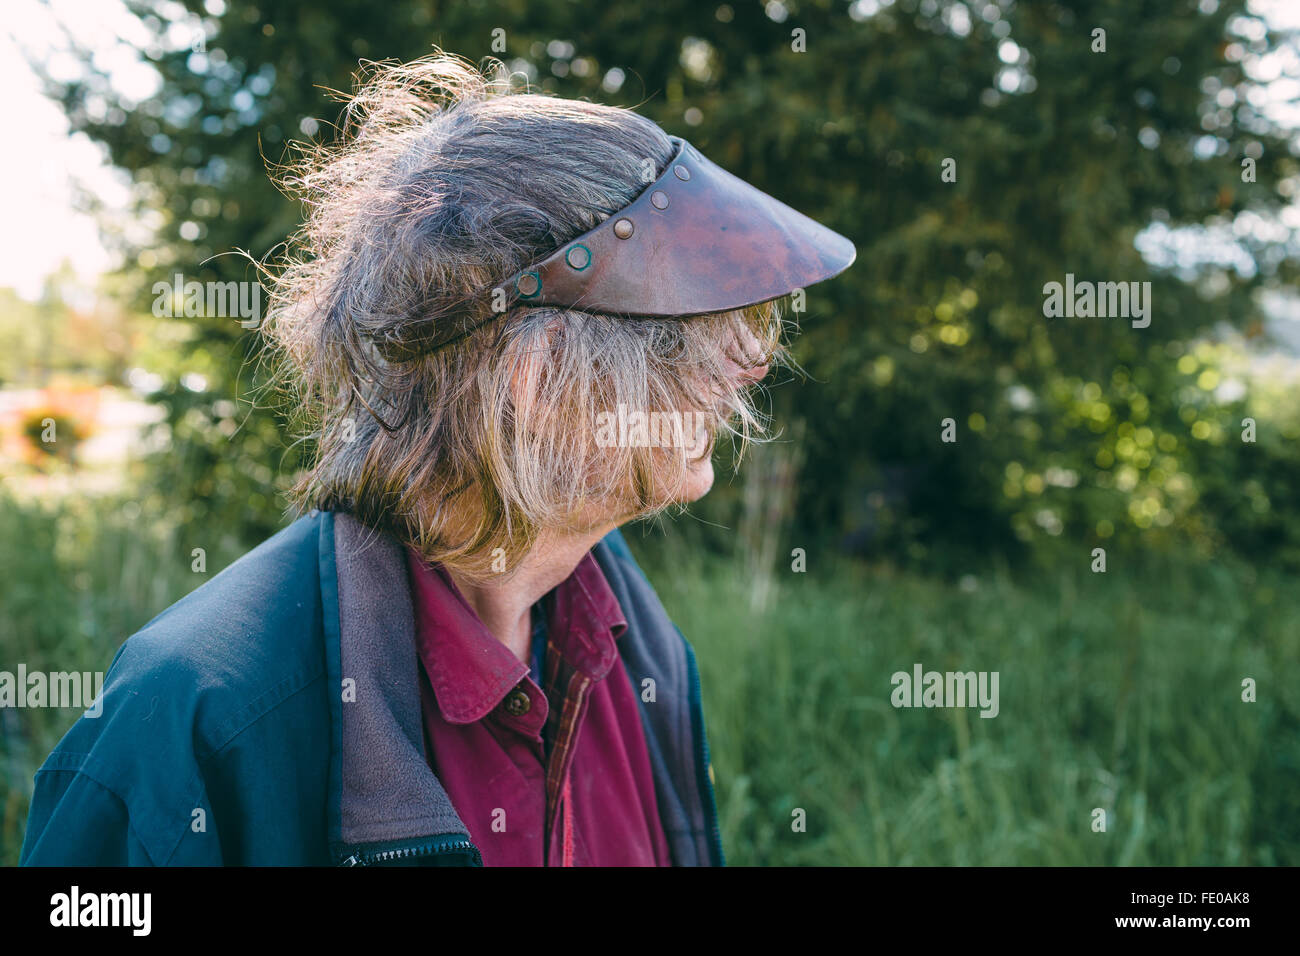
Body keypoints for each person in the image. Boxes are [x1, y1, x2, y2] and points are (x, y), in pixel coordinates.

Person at [20, 52, 854, 866]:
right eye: (696, 330)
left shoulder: (630, 639)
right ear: (541, 378)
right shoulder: (193, 726)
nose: (749, 362)